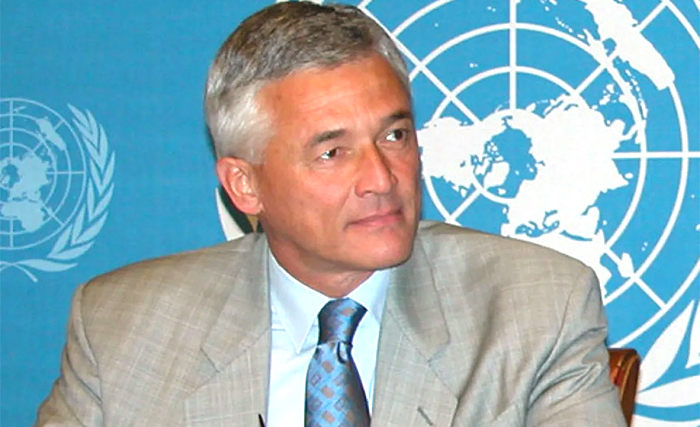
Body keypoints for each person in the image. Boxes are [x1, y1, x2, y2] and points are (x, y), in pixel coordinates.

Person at [35, 2, 627, 426]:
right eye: (332, 152)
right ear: (245, 185)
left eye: (394, 136)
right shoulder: (121, 331)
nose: (381, 179)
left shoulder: (535, 310)